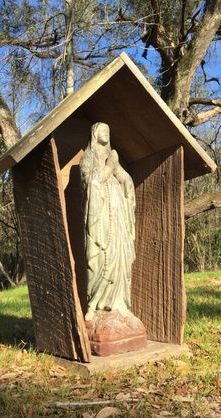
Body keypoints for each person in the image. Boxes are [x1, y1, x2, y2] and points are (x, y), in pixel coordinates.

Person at [79, 122, 136, 321]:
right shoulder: (87, 159)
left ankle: (119, 304)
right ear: (94, 133)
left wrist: (124, 177)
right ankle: (94, 305)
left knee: (120, 256)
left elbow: (122, 177)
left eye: (108, 131)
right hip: (100, 217)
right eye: (102, 130)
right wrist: (109, 167)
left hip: (118, 213)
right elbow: (90, 185)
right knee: (100, 259)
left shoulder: (112, 156)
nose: (106, 133)